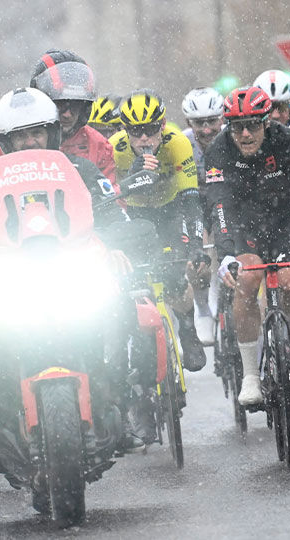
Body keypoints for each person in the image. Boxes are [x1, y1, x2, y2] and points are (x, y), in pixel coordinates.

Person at [0, 87, 138, 466]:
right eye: (20, 135)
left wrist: (119, 245)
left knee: (125, 301)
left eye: (36, 133)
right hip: (8, 279)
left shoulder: (82, 169)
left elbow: (113, 214)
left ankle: (118, 396)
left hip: (71, 275)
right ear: (5, 140)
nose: (29, 141)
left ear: (52, 133)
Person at [202, 86, 290, 407]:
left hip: (285, 221)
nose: (244, 133)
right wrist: (226, 251)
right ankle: (251, 375)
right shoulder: (218, 151)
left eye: (253, 125)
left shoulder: (287, 142)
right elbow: (219, 204)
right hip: (244, 224)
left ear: (267, 122)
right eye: (236, 126)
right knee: (247, 280)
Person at [0, 50, 116, 214]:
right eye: (60, 104)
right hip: (1, 238)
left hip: (74, 240)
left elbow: (112, 208)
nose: (68, 114)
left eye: (76, 105)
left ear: (86, 107)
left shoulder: (98, 146)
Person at [111, 89, 208, 373]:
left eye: (151, 130)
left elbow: (191, 199)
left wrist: (196, 244)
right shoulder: (115, 149)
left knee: (175, 276)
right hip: (134, 215)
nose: (144, 139)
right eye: (136, 131)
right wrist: (132, 177)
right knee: (130, 279)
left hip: (171, 210)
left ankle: (188, 331)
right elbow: (109, 197)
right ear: (125, 130)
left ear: (162, 126)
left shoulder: (177, 143)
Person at [181, 86, 225, 184]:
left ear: (222, 119)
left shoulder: (234, 137)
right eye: (199, 123)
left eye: (212, 121)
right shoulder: (181, 144)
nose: (207, 130)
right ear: (189, 123)